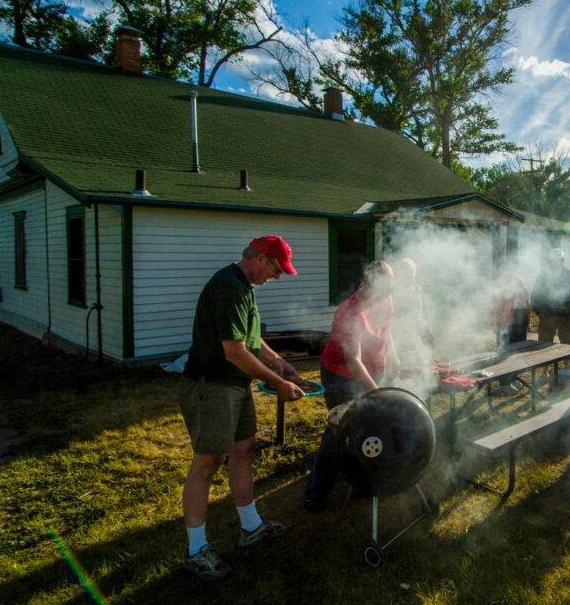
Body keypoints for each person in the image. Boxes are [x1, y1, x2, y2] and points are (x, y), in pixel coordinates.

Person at [178, 235, 304, 580]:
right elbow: (234, 351)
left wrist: (277, 361)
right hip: (212, 385)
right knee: (207, 463)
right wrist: (279, 385)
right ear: (260, 259)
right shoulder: (228, 287)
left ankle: (250, 527)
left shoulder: (245, 288)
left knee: (244, 450)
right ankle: (196, 549)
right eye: (277, 270)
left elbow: (250, 338)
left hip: (235, 384)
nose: (276, 277)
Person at [304, 261, 399, 512]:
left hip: (374, 368)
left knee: (369, 425)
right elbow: (353, 361)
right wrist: (377, 392)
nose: (388, 294)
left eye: (390, 288)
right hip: (341, 375)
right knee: (339, 429)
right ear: (367, 284)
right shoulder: (350, 312)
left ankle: (361, 480)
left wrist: (394, 355)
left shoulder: (386, 297)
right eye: (384, 288)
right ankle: (316, 491)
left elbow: (387, 330)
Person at [531, 248, 570, 346]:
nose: (555, 262)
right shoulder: (544, 276)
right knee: (543, 343)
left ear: (563, 260)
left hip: (567, 315)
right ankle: (546, 361)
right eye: (553, 260)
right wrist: (539, 312)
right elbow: (536, 294)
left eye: (559, 260)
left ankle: (567, 362)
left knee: (568, 343)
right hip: (547, 315)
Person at [391, 257, 431, 369]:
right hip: (399, 336)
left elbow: (425, 312)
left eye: (411, 274)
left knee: (418, 364)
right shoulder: (393, 292)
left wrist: (428, 331)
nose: (409, 278)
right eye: (406, 274)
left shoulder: (418, 290)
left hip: (416, 334)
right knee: (402, 365)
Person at [491, 265, 530, 350]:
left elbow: (526, 302)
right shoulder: (501, 281)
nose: (515, 269)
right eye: (512, 267)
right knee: (504, 348)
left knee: (521, 346)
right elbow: (494, 303)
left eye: (517, 267)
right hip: (506, 320)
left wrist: (528, 321)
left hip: (521, 317)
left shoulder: (521, 281)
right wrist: (494, 322)